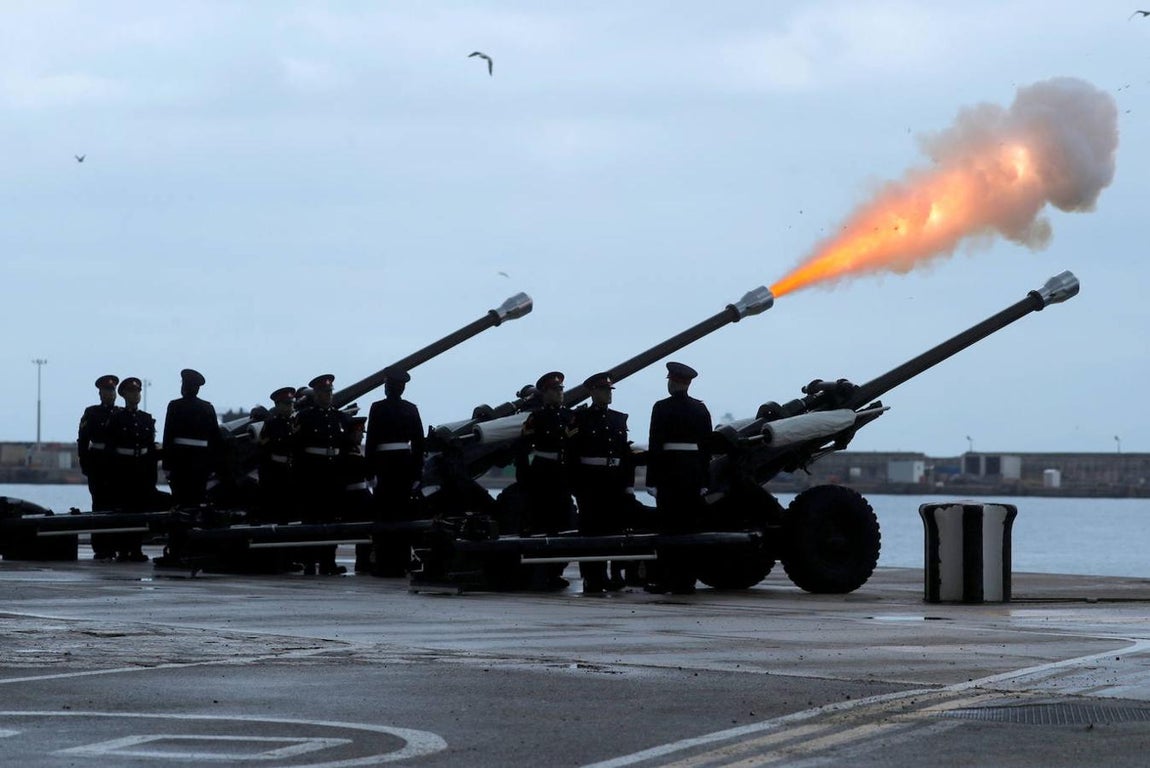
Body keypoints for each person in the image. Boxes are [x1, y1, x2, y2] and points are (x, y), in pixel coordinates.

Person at [645, 361, 712, 595]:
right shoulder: (700, 409)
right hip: (692, 473)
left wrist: (650, 481)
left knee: (668, 528)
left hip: (669, 473)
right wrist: (705, 481)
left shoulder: (661, 408)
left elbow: (655, 445)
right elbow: (706, 449)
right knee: (690, 529)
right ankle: (688, 580)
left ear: (672, 382)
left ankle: (667, 578)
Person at [570, 372, 635, 594]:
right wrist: (576, 486)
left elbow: (625, 456)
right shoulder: (580, 419)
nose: (608, 394)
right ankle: (592, 576)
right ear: (592, 392)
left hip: (614, 480)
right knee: (590, 531)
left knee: (616, 528)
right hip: (590, 481)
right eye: (603, 390)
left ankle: (616, 573)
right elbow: (572, 455)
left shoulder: (618, 419)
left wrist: (628, 485)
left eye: (609, 390)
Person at [365, 368, 425, 576]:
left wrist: (370, 471)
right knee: (400, 514)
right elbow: (419, 444)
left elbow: (371, 441)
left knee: (386, 514)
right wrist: (417, 473)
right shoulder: (411, 409)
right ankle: (400, 561)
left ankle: (385, 562)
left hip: (385, 465)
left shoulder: (377, 408)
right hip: (404, 465)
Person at [292, 373, 352, 575]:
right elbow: (297, 448)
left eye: (330, 392)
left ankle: (328, 561)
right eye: (324, 392)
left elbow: (344, 448)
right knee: (310, 518)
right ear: (316, 394)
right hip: (312, 473)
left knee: (331, 519)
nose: (328, 395)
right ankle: (310, 561)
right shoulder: (305, 417)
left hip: (332, 473)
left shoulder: (339, 417)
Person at [517, 371, 576, 537]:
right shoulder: (537, 418)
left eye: (561, 389)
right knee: (542, 516)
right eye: (555, 389)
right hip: (543, 473)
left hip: (564, 472)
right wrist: (524, 478)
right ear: (545, 393)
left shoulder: (570, 416)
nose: (560, 392)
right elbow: (523, 449)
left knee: (566, 516)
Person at [106, 377, 159, 562]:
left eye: (137, 391)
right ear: (124, 395)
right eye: (131, 392)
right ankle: (123, 549)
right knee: (124, 511)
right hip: (123, 469)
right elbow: (110, 447)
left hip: (141, 469)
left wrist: (151, 474)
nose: (135, 395)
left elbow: (150, 449)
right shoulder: (117, 418)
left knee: (140, 510)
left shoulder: (146, 419)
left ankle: (136, 548)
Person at [162, 368, 223, 507]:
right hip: (201, 463)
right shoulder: (207, 408)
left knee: (181, 500)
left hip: (180, 462)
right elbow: (216, 439)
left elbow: (168, 436)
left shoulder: (175, 406)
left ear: (184, 386)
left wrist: (167, 464)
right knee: (197, 499)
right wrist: (214, 465)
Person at [79, 374, 121, 559]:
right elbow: (83, 441)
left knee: (117, 505)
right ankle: (101, 547)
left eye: (111, 390)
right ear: (100, 393)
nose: (109, 394)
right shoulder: (92, 413)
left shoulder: (121, 413)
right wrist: (85, 464)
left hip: (117, 465)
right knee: (99, 504)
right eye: (106, 390)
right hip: (98, 464)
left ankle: (114, 544)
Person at [255, 386, 297, 524]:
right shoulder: (271, 425)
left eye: (291, 403)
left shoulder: (296, 423)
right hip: (276, 474)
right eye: (286, 404)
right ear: (278, 405)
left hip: (293, 472)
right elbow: (264, 451)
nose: (290, 406)